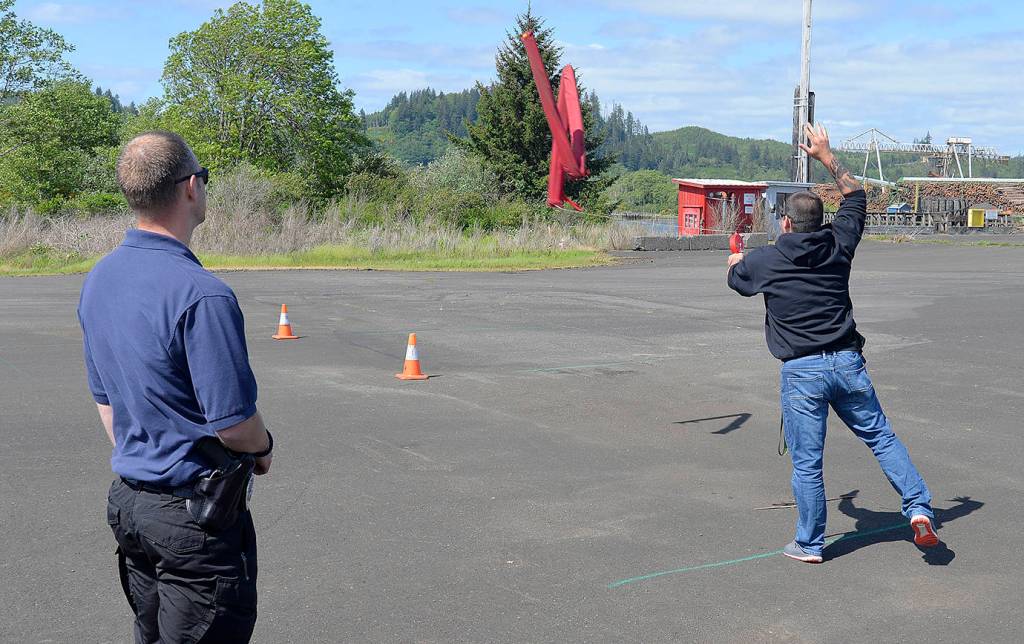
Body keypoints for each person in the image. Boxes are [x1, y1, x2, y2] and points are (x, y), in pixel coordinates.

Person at [78, 131, 273, 641]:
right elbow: (234, 424)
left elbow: (107, 403)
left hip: (132, 505)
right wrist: (263, 448)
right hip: (193, 518)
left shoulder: (101, 278)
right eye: (204, 178)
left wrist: (146, 457)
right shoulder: (202, 295)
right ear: (191, 187)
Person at [726, 123, 938, 563]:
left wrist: (735, 258)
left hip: (802, 372)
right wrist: (826, 156)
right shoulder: (839, 242)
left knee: (808, 463)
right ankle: (918, 508)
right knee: (881, 437)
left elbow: (737, 280)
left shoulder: (766, 260)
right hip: (846, 362)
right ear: (821, 221)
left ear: (785, 222)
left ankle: (810, 543)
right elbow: (855, 195)